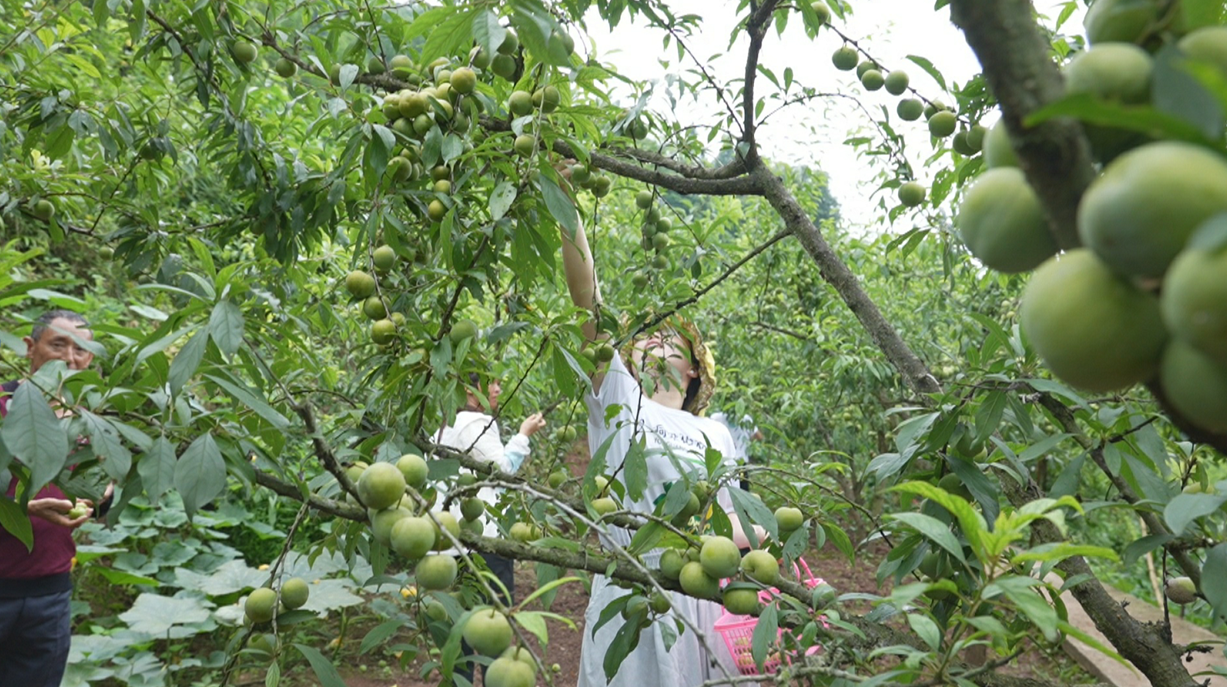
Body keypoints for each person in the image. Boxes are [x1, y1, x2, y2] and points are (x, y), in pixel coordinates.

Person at [559, 198, 753, 687]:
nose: (654, 339)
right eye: (646, 335)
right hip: (631, 594)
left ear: (693, 368)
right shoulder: (621, 398)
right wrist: (566, 207)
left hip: (698, 591)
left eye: (671, 337)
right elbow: (588, 303)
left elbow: (736, 520)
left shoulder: (716, 433)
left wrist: (758, 544)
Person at [0, 310, 106, 687]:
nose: (69, 358)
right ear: (30, 348)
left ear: (91, 358)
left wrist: (103, 494)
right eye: (58, 344)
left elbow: (101, 498)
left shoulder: (89, 423)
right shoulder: (2, 407)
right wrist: (20, 511)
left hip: (50, 595)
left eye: (81, 349)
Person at [433, 371, 546, 683]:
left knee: (461, 627)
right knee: (493, 626)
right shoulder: (476, 424)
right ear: (471, 391)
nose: (498, 389)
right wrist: (524, 434)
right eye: (493, 383)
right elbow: (501, 470)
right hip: (483, 542)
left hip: (451, 542)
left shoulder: (445, 426)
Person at [710, 412, 763, 492]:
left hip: (723, 462)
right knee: (743, 494)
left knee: (721, 491)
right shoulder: (746, 419)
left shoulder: (717, 417)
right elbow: (759, 436)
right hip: (740, 463)